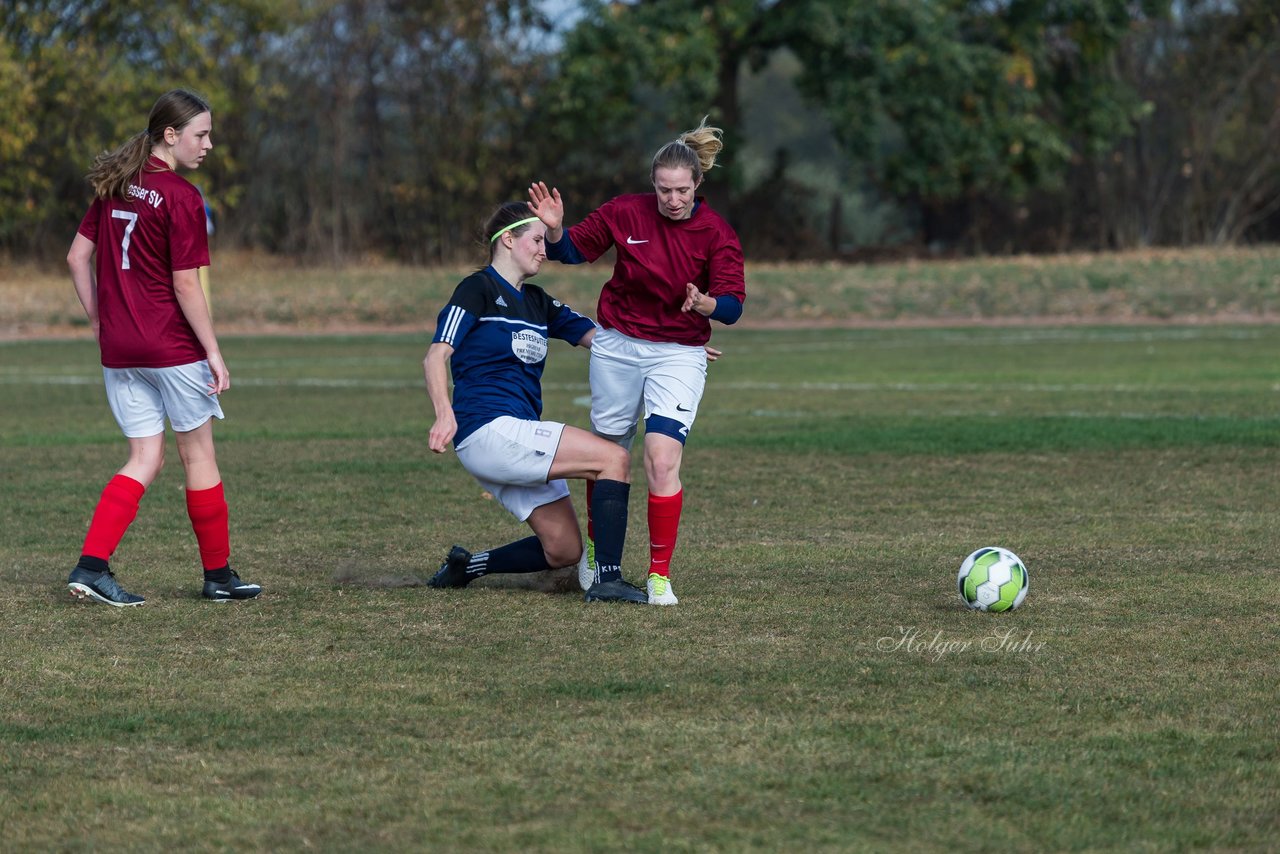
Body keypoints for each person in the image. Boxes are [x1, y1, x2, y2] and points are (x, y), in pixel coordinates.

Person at [528, 117, 746, 606]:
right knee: (606, 456)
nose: (673, 199)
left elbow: (732, 305)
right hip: (618, 347)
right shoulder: (624, 212)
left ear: (697, 185)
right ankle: (596, 551)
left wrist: (707, 304)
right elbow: (573, 251)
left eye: (683, 190)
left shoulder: (717, 233)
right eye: (665, 189)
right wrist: (557, 228)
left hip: (680, 354)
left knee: (661, 458)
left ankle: (659, 576)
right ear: (653, 185)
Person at [65, 89, 261, 606]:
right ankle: (218, 576)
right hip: (170, 347)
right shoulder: (181, 196)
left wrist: (97, 319)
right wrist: (214, 351)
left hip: (120, 350)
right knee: (197, 456)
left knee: (143, 458)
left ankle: (91, 567)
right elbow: (185, 285)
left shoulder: (114, 186)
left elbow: (75, 258)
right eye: (201, 134)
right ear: (170, 136)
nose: (209, 144)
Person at [423, 202, 648, 604]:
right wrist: (444, 414)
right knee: (613, 460)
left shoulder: (539, 302)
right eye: (538, 240)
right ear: (508, 240)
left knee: (563, 549)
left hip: (514, 436)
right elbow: (436, 355)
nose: (545, 250)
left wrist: (671, 349)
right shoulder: (478, 289)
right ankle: (608, 580)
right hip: (489, 429)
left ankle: (467, 566)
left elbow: (604, 342)